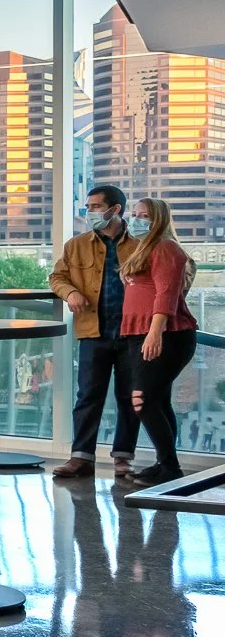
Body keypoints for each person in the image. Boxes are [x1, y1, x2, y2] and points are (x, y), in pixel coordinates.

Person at [50, 183, 141, 479]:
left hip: (132, 334)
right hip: (93, 331)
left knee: (130, 397)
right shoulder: (75, 245)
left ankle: (123, 458)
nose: (89, 213)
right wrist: (70, 293)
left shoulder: (141, 245)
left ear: (115, 210)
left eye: (95, 207)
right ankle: (81, 458)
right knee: (88, 395)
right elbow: (57, 277)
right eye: (88, 207)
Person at [119, 197, 197, 486]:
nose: (137, 220)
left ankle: (170, 467)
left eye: (144, 216)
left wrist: (155, 333)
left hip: (166, 334)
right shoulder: (145, 248)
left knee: (143, 399)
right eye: (135, 214)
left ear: (159, 220)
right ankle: (165, 464)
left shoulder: (166, 248)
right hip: (140, 333)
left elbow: (166, 293)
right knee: (157, 400)